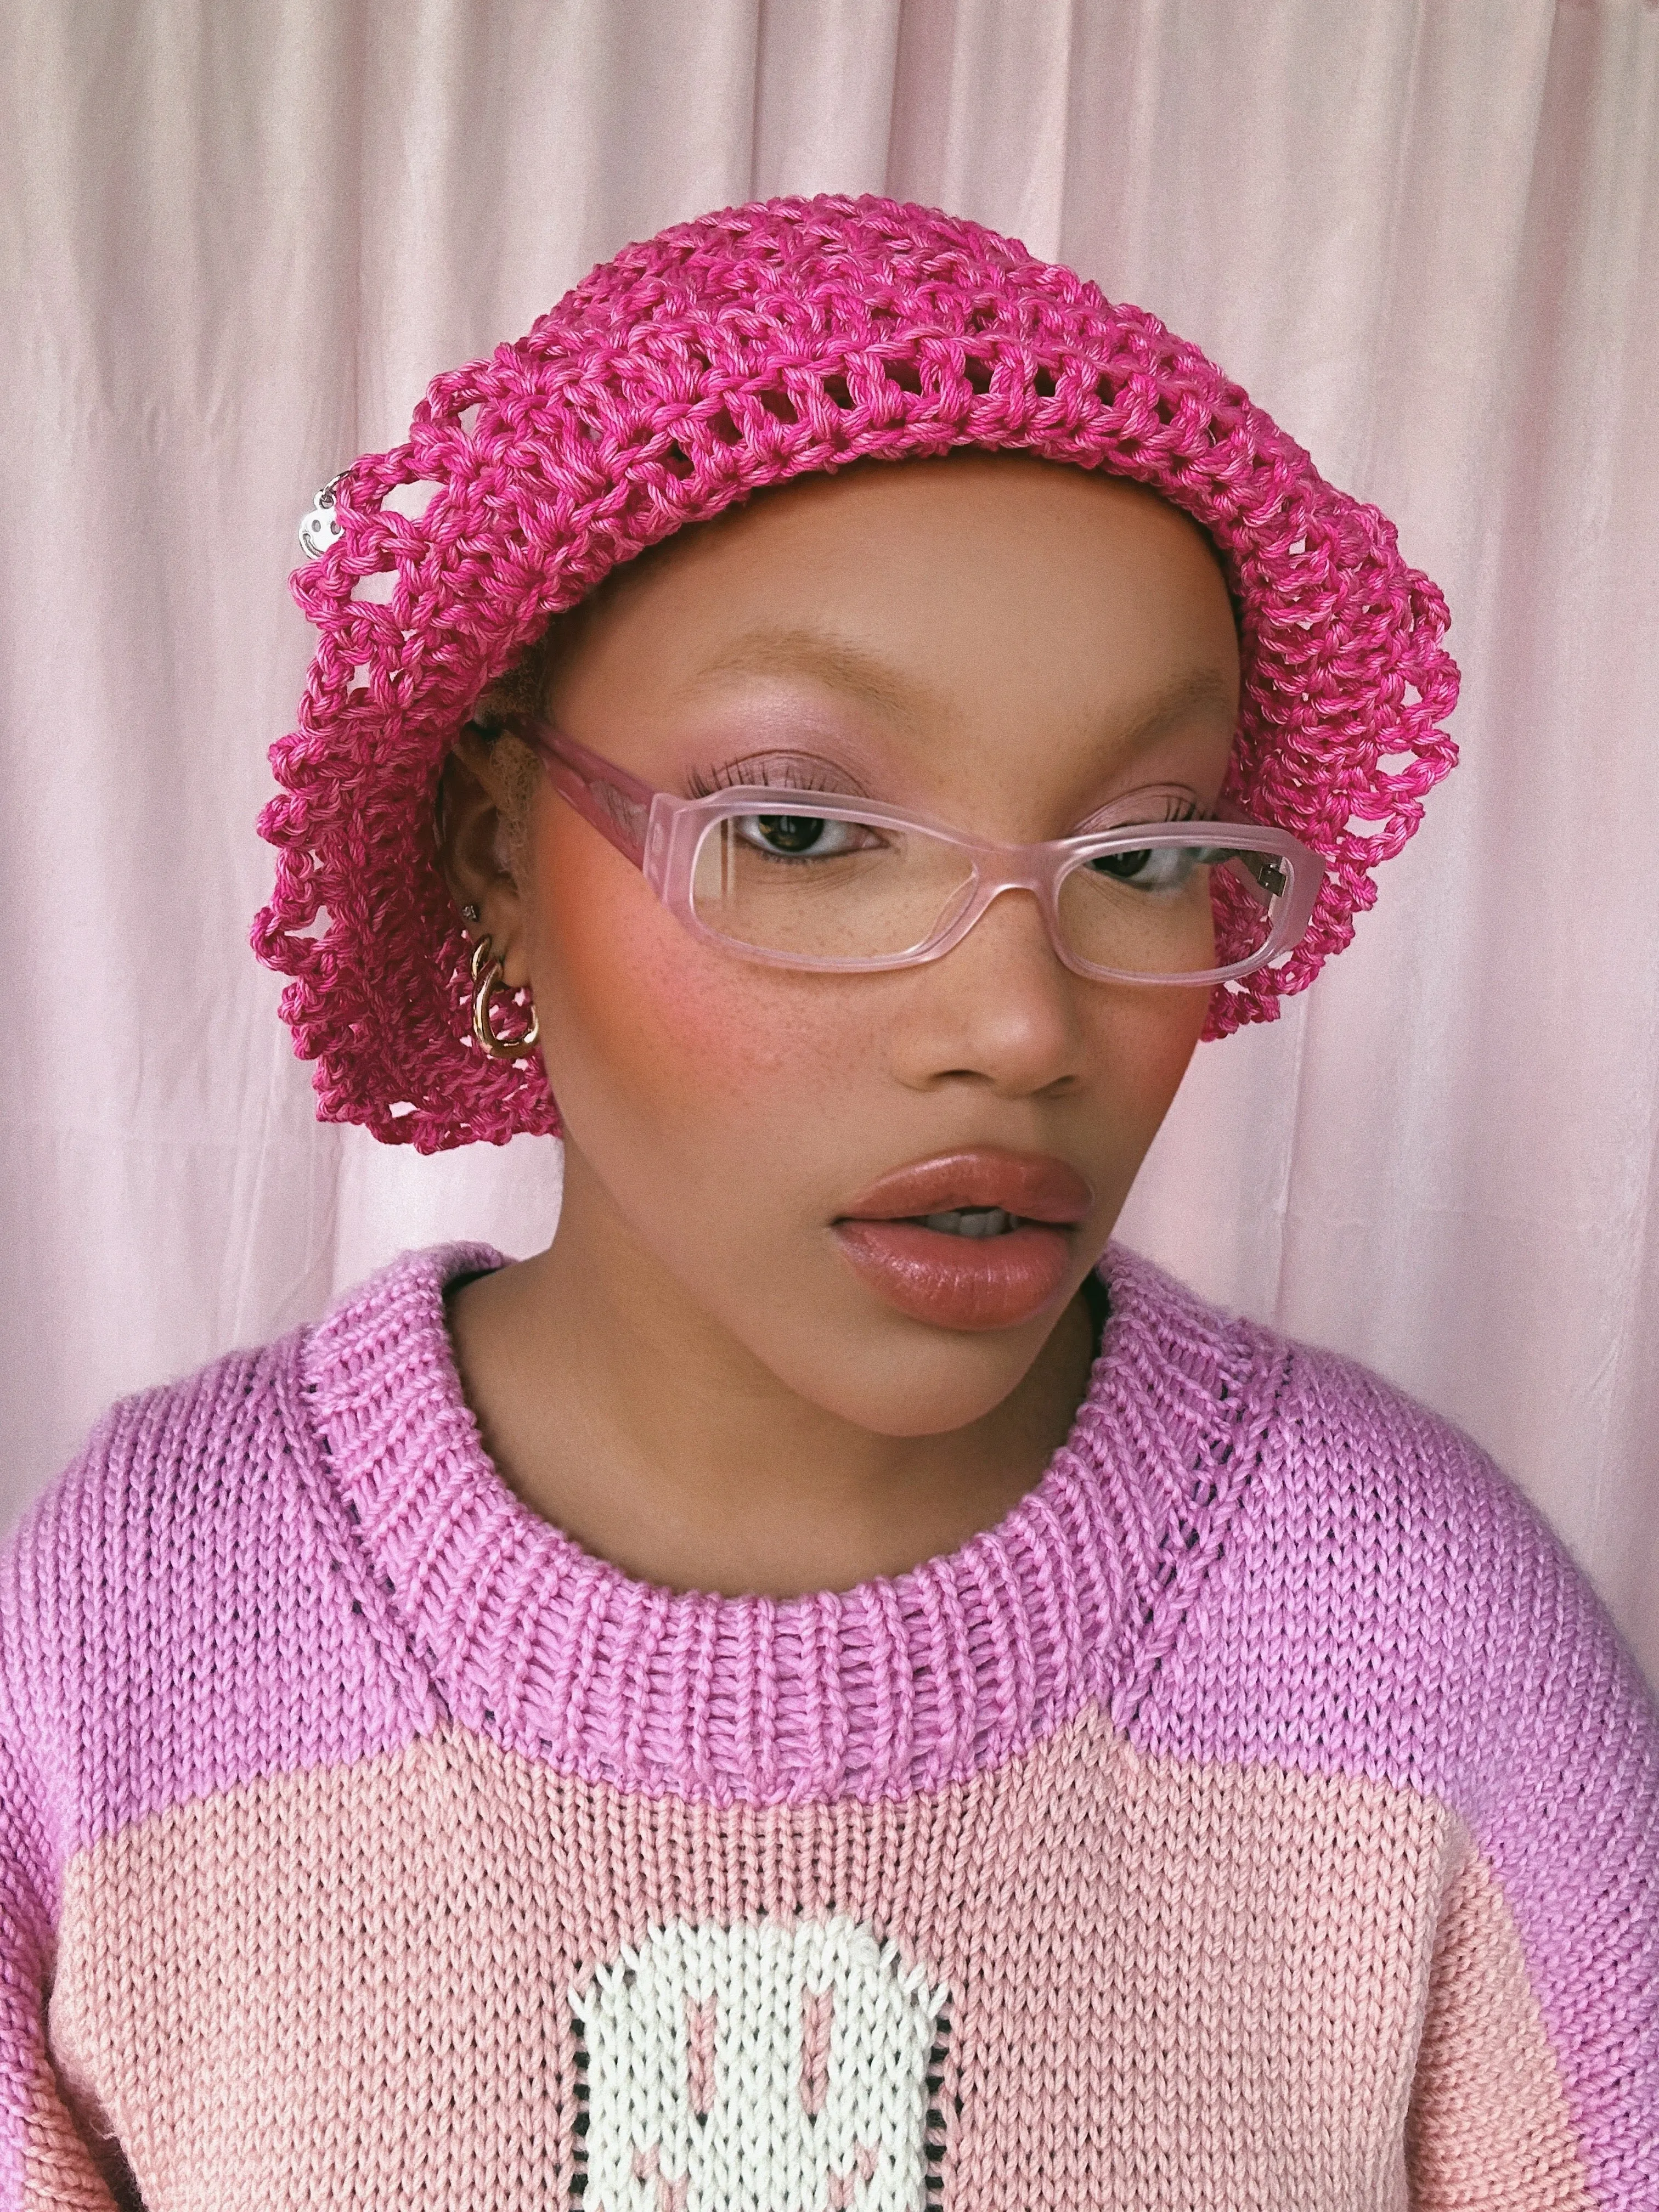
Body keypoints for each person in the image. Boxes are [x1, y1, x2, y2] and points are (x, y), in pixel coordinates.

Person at [2, 195, 1653, 2210]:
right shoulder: (125, 1638)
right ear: (495, 847)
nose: (1022, 1024)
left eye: (1143, 859)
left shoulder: (1426, 1637)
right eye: (800, 828)